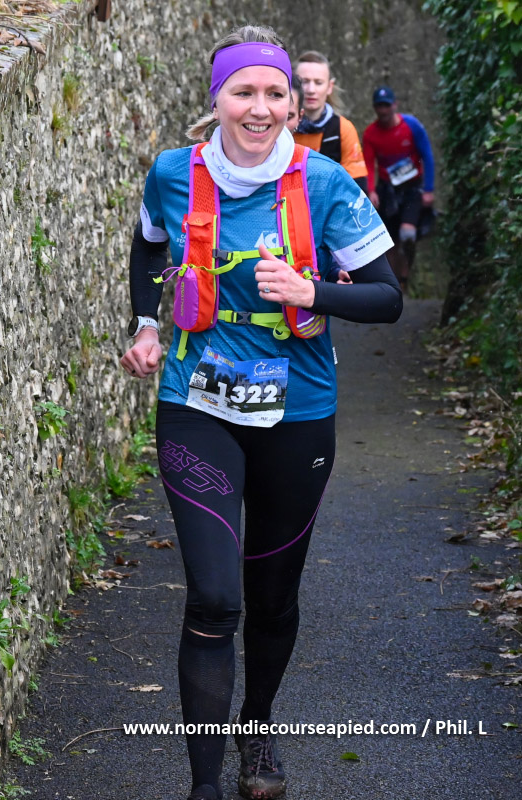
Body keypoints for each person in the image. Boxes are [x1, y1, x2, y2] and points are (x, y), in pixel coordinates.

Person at [120, 24, 402, 800]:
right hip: (197, 402)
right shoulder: (173, 174)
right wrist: (146, 324)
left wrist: (313, 291)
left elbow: (387, 297)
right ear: (215, 99)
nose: (261, 107)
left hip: (297, 412)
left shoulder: (326, 184)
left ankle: (258, 724)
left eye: (276, 93)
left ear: (294, 101)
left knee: (273, 600)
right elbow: (148, 246)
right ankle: (204, 786)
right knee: (215, 599)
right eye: (243, 91)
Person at [362, 86, 435, 290]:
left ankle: (405, 275)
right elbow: (368, 164)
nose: (383, 110)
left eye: (386, 105)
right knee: (388, 240)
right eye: (379, 106)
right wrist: (371, 190)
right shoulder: (371, 134)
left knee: (407, 235)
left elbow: (427, 156)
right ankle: (393, 283)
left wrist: (428, 189)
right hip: (388, 191)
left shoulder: (412, 126)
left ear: (395, 105)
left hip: (412, 189)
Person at [293, 50, 368, 191]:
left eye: (318, 83)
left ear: (329, 87)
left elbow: (357, 188)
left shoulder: (343, 129)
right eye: (304, 82)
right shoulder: (281, 127)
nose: (311, 90)